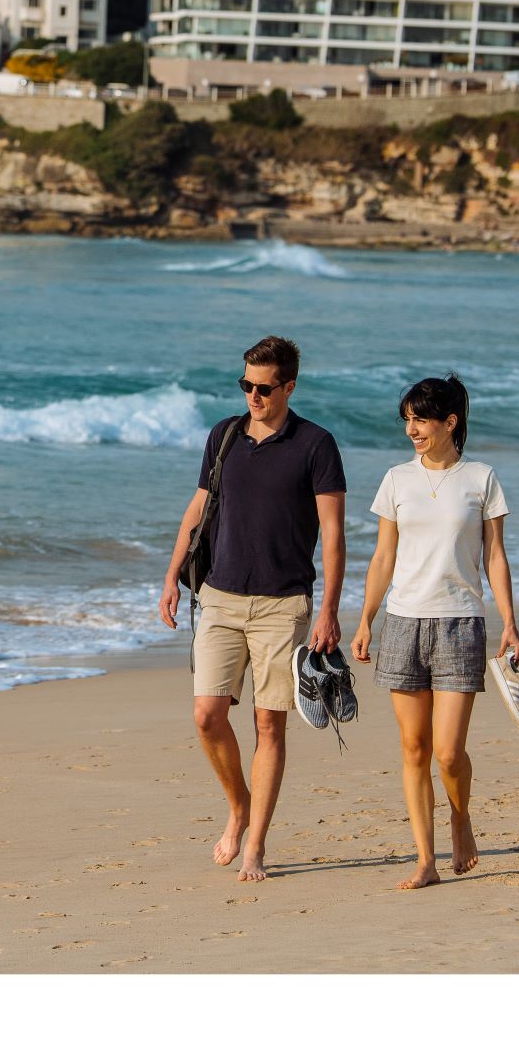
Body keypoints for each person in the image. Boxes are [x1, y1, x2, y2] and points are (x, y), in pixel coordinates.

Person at [157, 335, 348, 883]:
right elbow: (198, 507)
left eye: (264, 388)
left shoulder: (317, 444)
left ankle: (256, 844)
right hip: (218, 596)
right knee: (207, 715)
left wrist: (329, 610)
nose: (253, 397)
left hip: (283, 606)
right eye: (246, 385)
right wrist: (171, 576)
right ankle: (237, 804)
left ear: (289, 386)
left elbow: (332, 535)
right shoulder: (223, 435)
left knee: (270, 724)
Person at [351, 375, 519, 890]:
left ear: (450, 422)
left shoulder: (482, 478)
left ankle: (460, 817)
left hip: (459, 623)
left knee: (448, 751)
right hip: (403, 623)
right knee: (413, 748)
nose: (412, 429)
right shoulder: (396, 479)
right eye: (407, 419)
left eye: (421, 419)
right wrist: (365, 618)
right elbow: (383, 556)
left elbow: (495, 555)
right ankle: (425, 859)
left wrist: (510, 621)